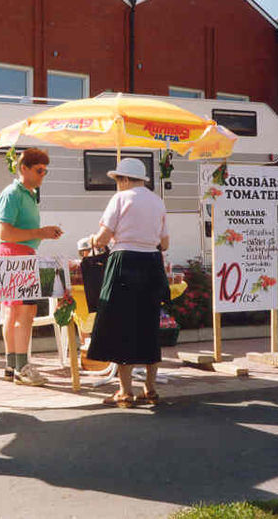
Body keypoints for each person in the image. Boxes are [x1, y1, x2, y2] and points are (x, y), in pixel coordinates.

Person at [86, 158, 170, 408]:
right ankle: (151, 388)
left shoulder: (120, 199)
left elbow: (102, 238)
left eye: (117, 181)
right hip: (152, 264)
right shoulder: (158, 201)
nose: (117, 185)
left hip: (124, 261)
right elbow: (164, 244)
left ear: (123, 179)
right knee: (148, 324)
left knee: (122, 324)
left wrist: (92, 239)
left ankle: (125, 392)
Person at [0, 148, 62, 386]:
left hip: (19, 255)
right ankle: (22, 367)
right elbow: (5, 232)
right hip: (16, 256)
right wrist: (40, 232)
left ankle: (13, 366)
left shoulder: (27, 194)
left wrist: (42, 234)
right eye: (39, 170)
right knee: (23, 314)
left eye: (45, 170)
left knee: (14, 313)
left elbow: (16, 232)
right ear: (24, 168)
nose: (43, 174)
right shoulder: (13, 193)